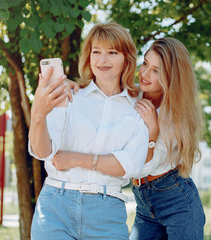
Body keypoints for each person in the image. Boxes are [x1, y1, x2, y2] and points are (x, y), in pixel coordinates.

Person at [28, 23, 149, 240]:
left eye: (112, 52)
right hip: (55, 206)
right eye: (97, 52)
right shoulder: (69, 95)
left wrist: (74, 158)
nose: (103, 61)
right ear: (88, 56)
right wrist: (38, 113)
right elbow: (43, 152)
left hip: (107, 211)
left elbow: (127, 165)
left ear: (126, 58)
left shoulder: (138, 107)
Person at [129, 37, 206, 240]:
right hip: (144, 203)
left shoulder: (175, 118)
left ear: (171, 78)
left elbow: (142, 168)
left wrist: (153, 130)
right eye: (145, 63)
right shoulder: (132, 96)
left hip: (176, 201)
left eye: (156, 70)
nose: (145, 73)